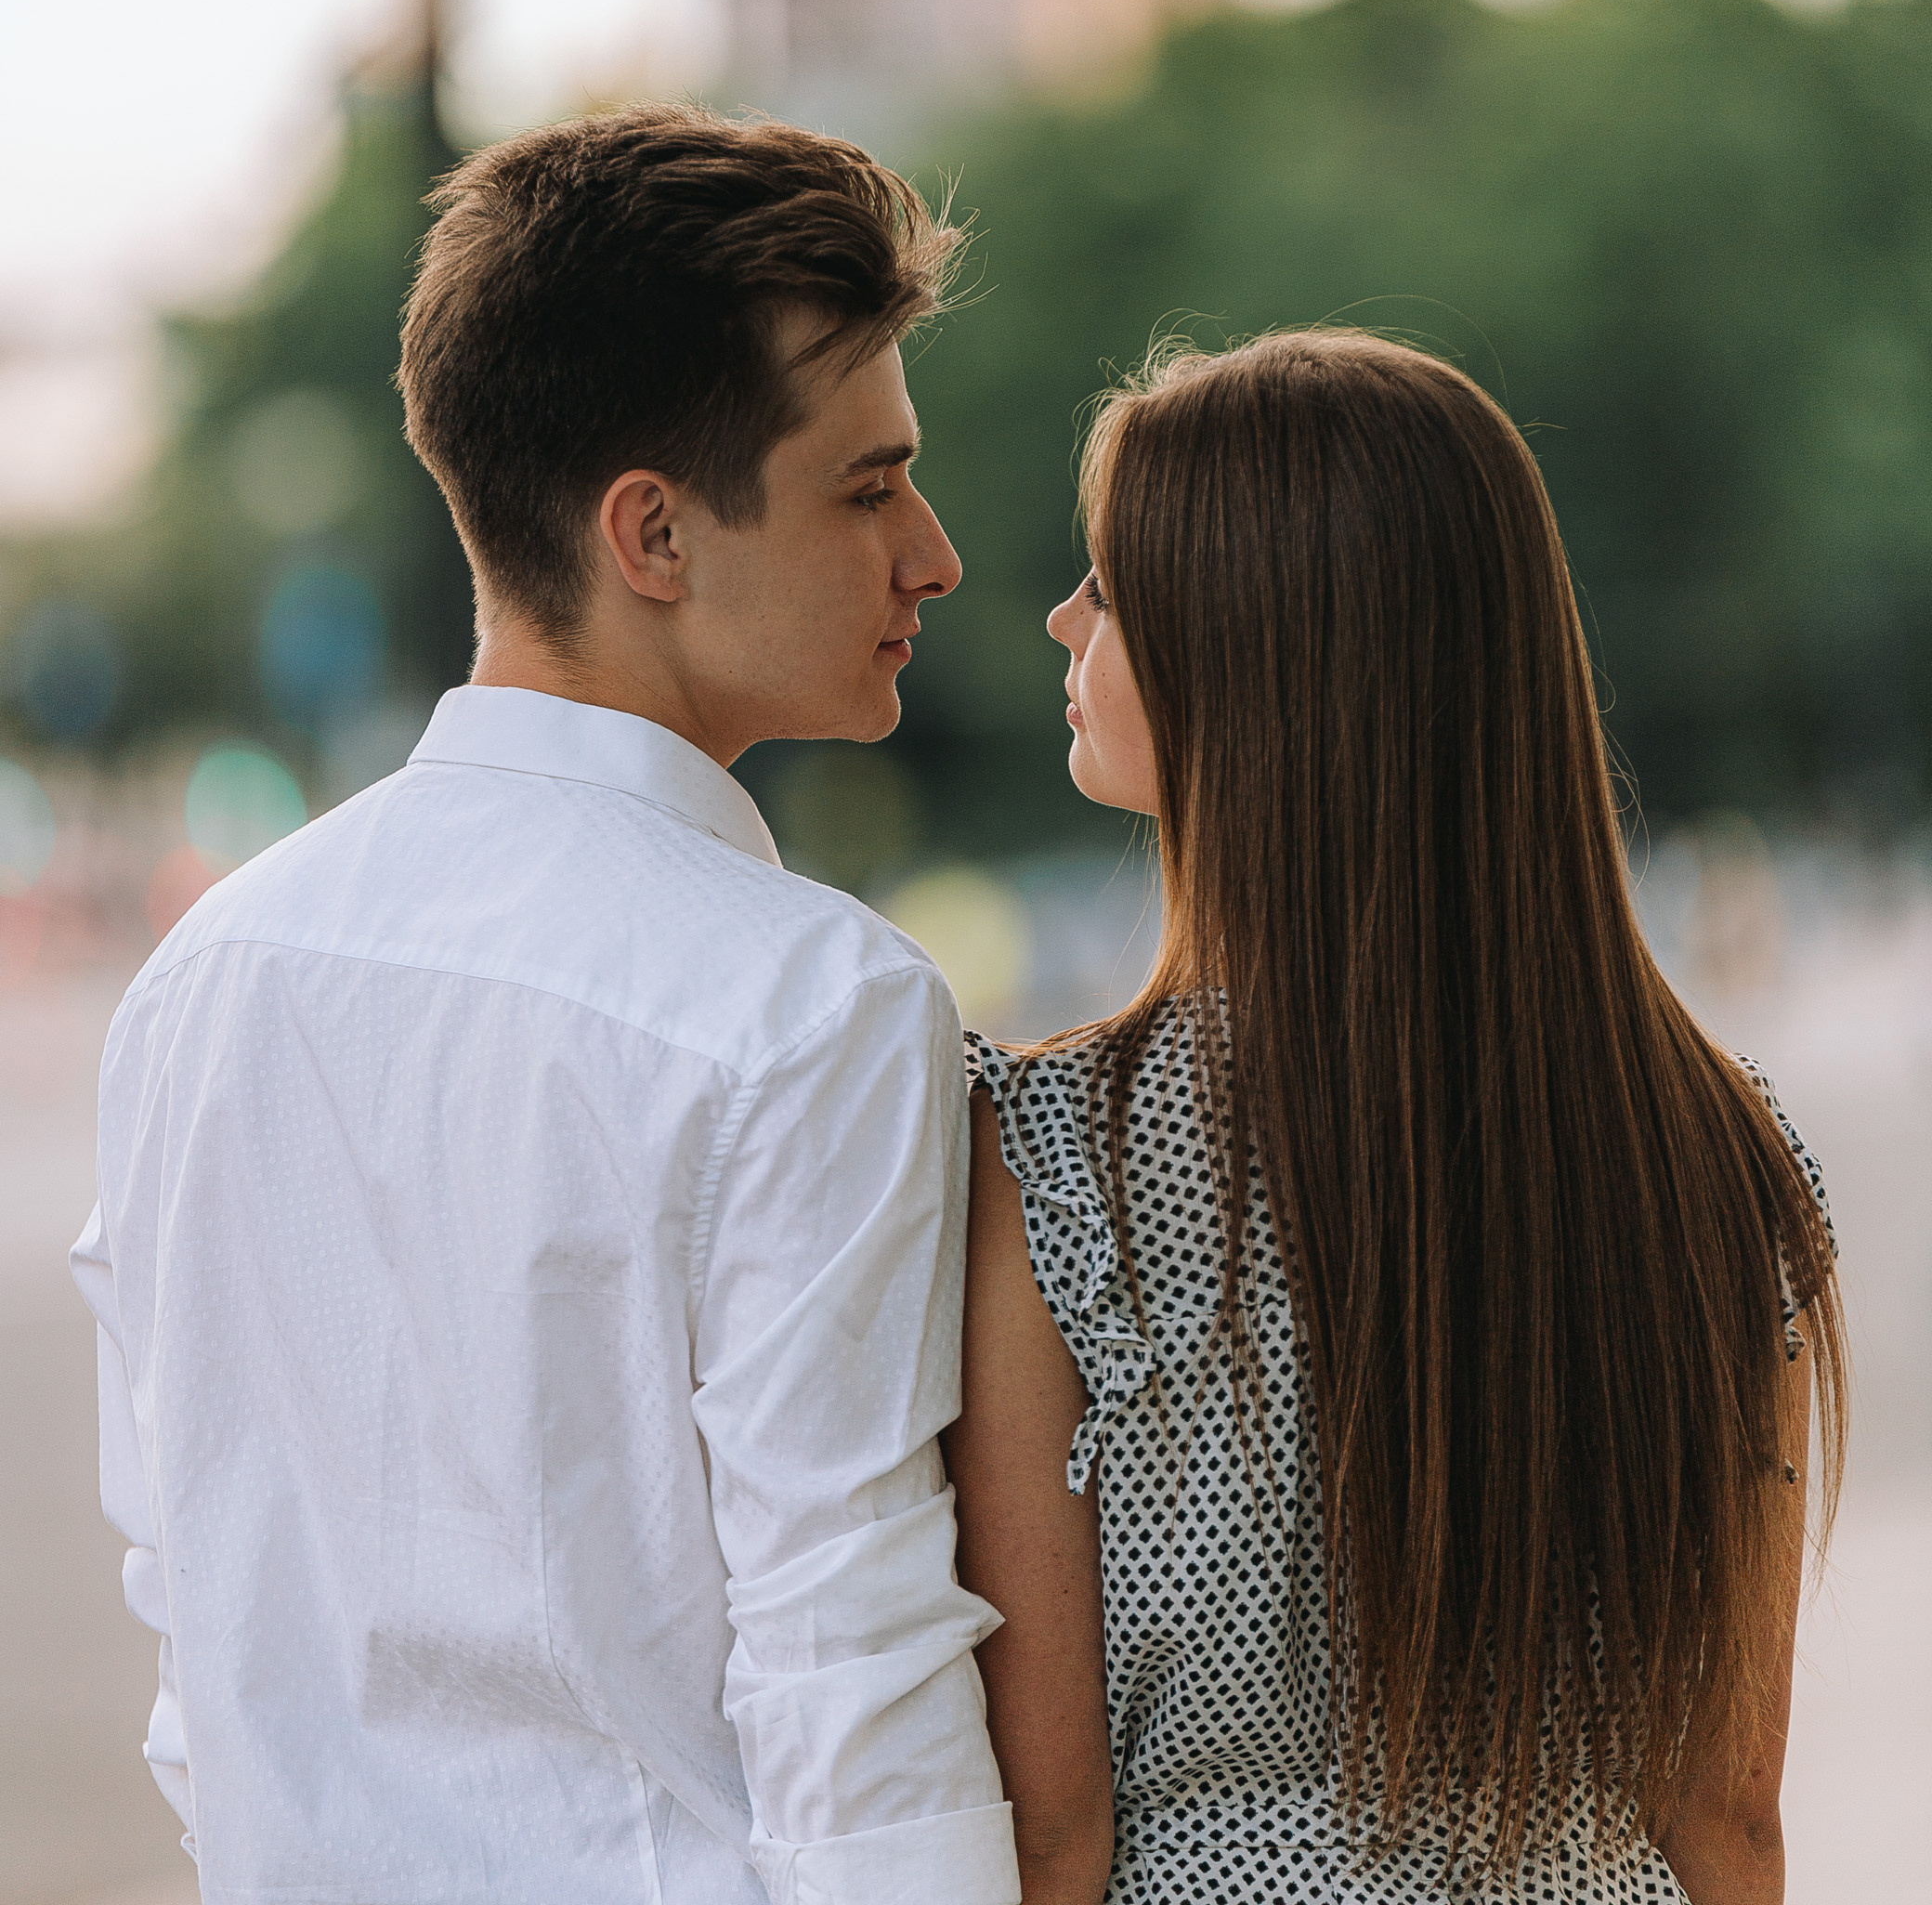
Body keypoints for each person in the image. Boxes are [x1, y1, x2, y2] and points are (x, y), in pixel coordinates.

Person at [72, 106, 1022, 1905]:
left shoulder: (202, 981)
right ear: (651, 535)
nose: (935, 556)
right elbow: (856, 1682)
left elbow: (187, 1598)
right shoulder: (809, 1008)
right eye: (867, 485)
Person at [946, 330, 1845, 1905]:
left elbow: (1050, 1823)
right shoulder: (1711, 1154)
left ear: (1259, 656)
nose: (1064, 616)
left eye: (1115, 586)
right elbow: (1729, 1811)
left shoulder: (1054, 1155)